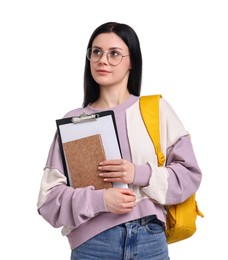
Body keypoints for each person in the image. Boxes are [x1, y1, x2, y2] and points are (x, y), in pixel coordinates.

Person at [37, 21, 202, 260]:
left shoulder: (156, 110)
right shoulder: (75, 122)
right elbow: (49, 200)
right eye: (96, 52)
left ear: (132, 61)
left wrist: (138, 173)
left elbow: (190, 175)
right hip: (93, 245)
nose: (102, 60)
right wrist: (101, 200)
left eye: (114, 53)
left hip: (150, 241)